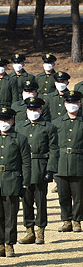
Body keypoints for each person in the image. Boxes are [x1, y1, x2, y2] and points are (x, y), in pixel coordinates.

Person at [0, 106, 31, 258]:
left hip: (12, 180)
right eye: (2, 120)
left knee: (11, 215)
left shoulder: (20, 139)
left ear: (12, 121)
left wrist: (25, 183)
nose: (4, 123)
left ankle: (9, 244)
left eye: (7, 120)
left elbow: (26, 163)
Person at [17, 97, 58, 245]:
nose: (32, 112)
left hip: (40, 167)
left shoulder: (49, 127)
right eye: (30, 109)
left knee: (41, 202)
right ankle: (29, 231)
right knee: (26, 201)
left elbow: (54, 150)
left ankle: (41, 231)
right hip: (25, 169)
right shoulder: (20, 127)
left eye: (35, 110)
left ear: (41, 111)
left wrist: (51, 169)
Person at [54, 91, 83, 232]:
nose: (72, 105)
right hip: (61, 163)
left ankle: (77, 220)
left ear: (80, 104)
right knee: (63, 195)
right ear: (65, 105)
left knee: (78, 195)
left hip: (78, 162)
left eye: (75, 103)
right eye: (69, 103)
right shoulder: (57, 123)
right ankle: (66, 220)